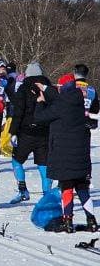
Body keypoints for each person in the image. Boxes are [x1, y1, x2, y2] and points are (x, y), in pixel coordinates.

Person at [33, 74, 96, 232]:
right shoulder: (78, 101)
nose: (58, 89)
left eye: (59, 87)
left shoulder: (60, 105)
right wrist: (45, 89)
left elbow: (39, 117)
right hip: (81, 155)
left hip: (64, 154)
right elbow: (58, 96)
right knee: (82, 188)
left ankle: (67, 221)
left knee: (67, 187)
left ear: (64, 88)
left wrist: (40, 102)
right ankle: (92, 221)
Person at [7, 61, 53, 203]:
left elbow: (18, 112)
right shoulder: (49, 88)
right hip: (45, 132)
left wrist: (13, 132)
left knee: (16, 160)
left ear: (27, 74)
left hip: (26, 132)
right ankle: (47, 196)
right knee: (43, 164)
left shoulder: (23, 88)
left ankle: (23, 190)